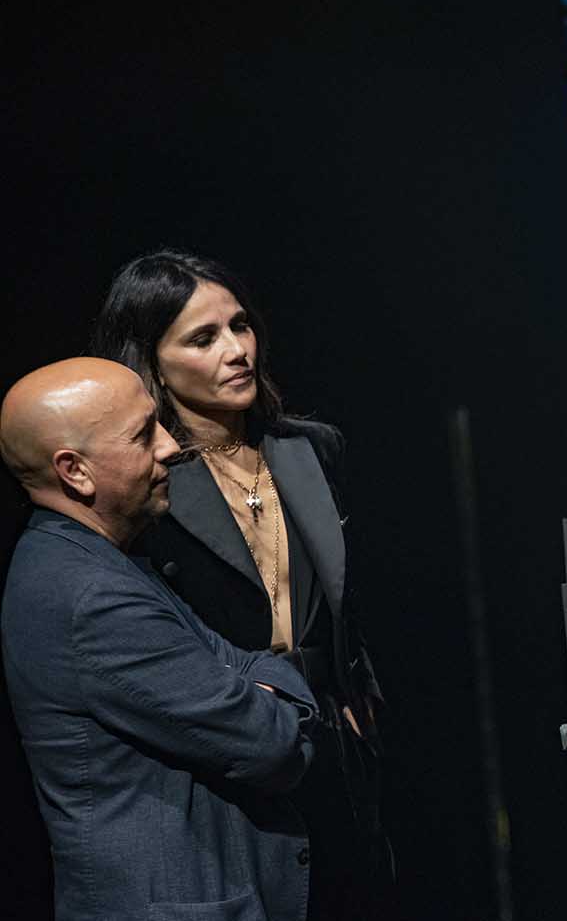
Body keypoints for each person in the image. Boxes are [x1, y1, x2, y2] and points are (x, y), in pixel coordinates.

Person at [90, 249, 391, 917]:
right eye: (204, 338)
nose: (236, 350)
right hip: (227, 759)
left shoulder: (310, 450)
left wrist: (362, 699)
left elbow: (349, 603)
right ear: (151, 363)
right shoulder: (146, 486)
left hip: (333, 755)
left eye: (241, 325)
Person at [1, 358, 317, 921]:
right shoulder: (90, 595)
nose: (171, 447)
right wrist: (274, 692)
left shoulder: (105, 562)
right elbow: (268, 744)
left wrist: (259, 683)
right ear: (75, 471)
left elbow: (243, 665)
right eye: (144, 434)